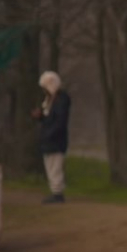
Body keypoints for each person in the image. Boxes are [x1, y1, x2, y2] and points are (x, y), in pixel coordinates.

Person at [32, 71, 71, 204]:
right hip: (48, 139)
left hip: (56, 139)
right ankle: (55, 190)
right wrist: (41, 117)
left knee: (55, 165)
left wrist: (49, 134)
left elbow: (60, 121)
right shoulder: (50, 100)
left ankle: (57, 192)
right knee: (50, 165)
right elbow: (50, 119)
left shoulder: (61, 99)